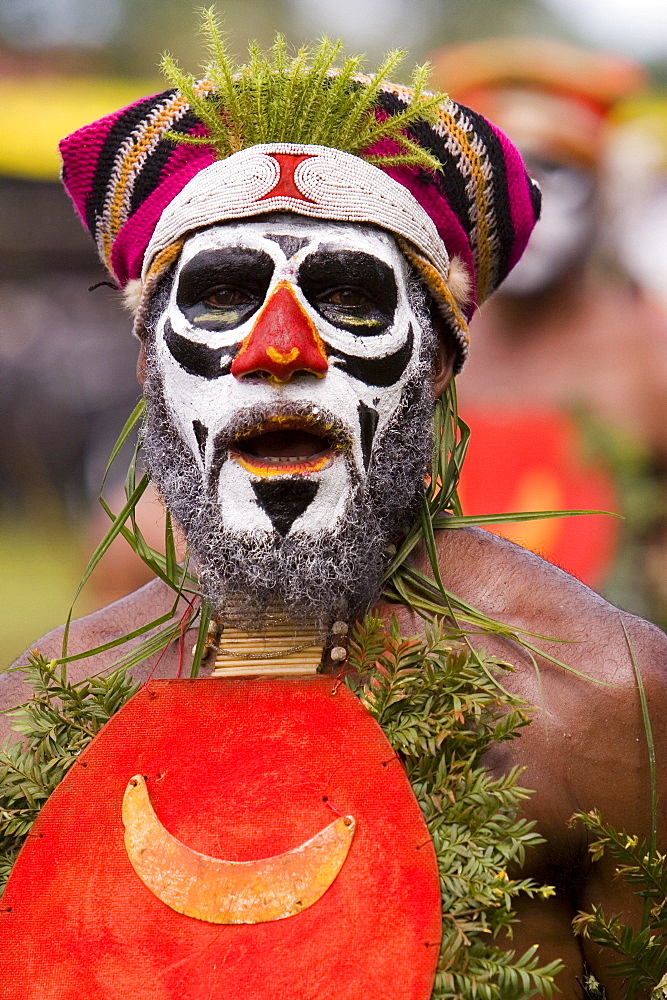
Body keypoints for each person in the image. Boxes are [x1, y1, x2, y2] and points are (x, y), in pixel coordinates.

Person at [1, 25, 666, 997]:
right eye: (222, 295)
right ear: (150, 364)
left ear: (435, 368)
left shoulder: (598, 703)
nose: (279, 348)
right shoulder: (38, 717)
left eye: (349, 297)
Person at [427, 38, 667, 622]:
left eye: (556, 176)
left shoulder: (648, 348)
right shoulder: (412, 346)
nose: (529, 207)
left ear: (603, 189)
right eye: (503, 183)